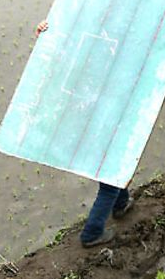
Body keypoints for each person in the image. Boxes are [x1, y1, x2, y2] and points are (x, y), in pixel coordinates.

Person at [33, 20, 134, 248]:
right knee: (109, 182)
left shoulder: (89, 63)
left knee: (116, 169)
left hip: (93, 128)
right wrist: (46, 35)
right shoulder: (106, 69)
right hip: (99, 128)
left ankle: (122, 203)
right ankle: (91, 233)